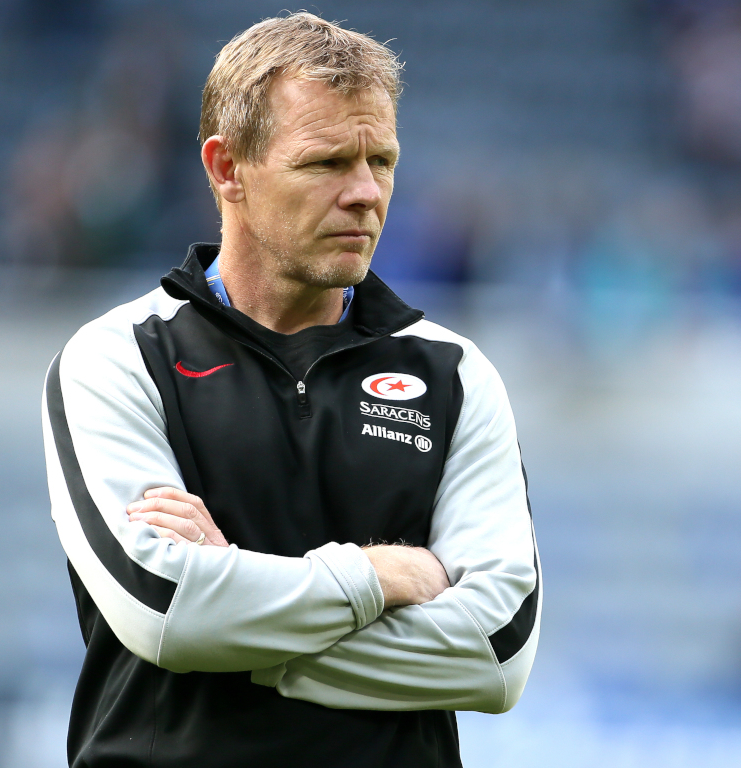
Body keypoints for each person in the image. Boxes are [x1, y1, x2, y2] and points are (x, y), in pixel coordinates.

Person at [42, 13, 539, 768]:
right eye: (326, 162)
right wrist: (377, 577)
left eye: (382, 160)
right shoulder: (118, 359)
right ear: (227, 168)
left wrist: (240, 618)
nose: (365, 193)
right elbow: (164, 609)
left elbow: (495, 655)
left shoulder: (454, 375)